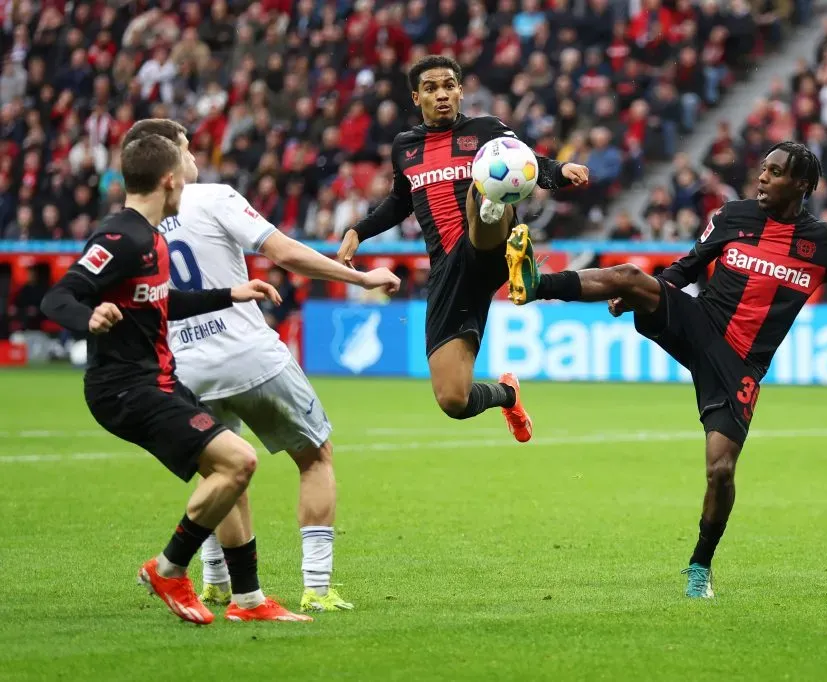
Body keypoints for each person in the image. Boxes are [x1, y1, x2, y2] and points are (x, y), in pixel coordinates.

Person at [504, 142, 827, 599]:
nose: (762, 177)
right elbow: (685, 269)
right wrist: (644, 293)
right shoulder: (733, 217)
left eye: (774, 171)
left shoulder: (823, 242)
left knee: (720, 471)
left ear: (803, 184)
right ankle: (535, 282)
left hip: (741, 365)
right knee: (629, 275)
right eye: (763, 169)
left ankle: (699, 566)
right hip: (699, 323)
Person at [120, 118, 400, 613]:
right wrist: (359, 279)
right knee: (315, 455)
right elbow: (284, 252)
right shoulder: (213, 197)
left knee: (220, 472)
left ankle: (216, 583)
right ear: (170, 160)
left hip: (185, 367)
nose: (195, 159)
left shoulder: (130, 225)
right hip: (249, 355)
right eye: (187, 150)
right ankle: (317, 587)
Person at [40, 134, 309, 624]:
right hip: (125, 389)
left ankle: (248, 601)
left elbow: (164, 301)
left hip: (159, 380)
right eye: (183, 172)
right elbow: (58, 297)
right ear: (170, 180)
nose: (188, 179)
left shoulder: (154, 236)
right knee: (238, 462)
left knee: (229, 473)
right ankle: (169, 568)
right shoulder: (120, 238)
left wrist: (232, 292)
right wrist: (89, 316)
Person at [337, 55, 589, 442]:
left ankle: (505, 234)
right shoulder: (405, 147)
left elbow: (525, 162)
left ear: (460, 91)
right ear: (415, 97)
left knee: (485, 185)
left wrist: (558, 172)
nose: (442, 94)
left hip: (490, 250)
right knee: (452, 399)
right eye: (432, 88)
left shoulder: (485, 131)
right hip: (448, 271)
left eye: (449, 85)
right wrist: (360, 230)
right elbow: (400, 201)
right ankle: (508, 394)